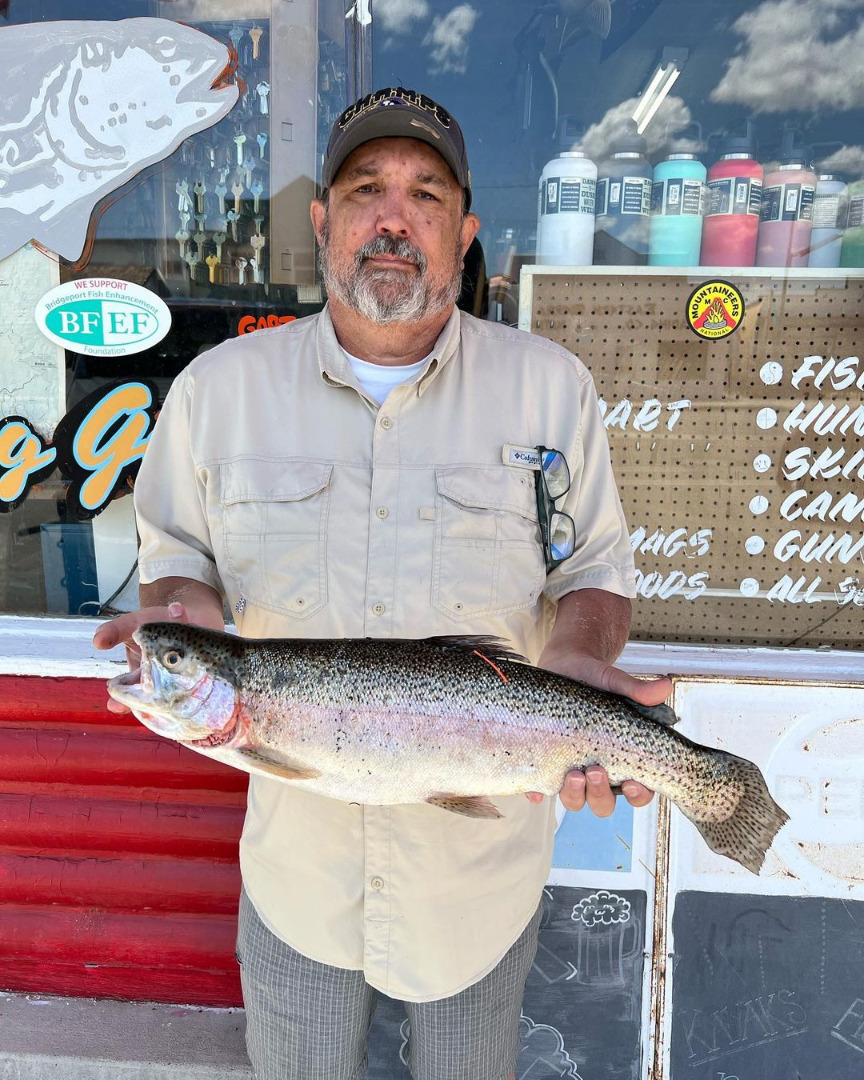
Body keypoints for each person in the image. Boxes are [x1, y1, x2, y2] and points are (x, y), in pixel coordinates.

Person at [94, 86, 671, 1080]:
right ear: (323, 221)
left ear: (465, 232)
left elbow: (596, 571)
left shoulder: (549, 387)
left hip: (476, 885)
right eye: (366, 190)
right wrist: (180, 610)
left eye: (427, 195)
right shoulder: (218, 394)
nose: (394, 219)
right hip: (299, 878)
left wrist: (577, 660)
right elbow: (176, 558)